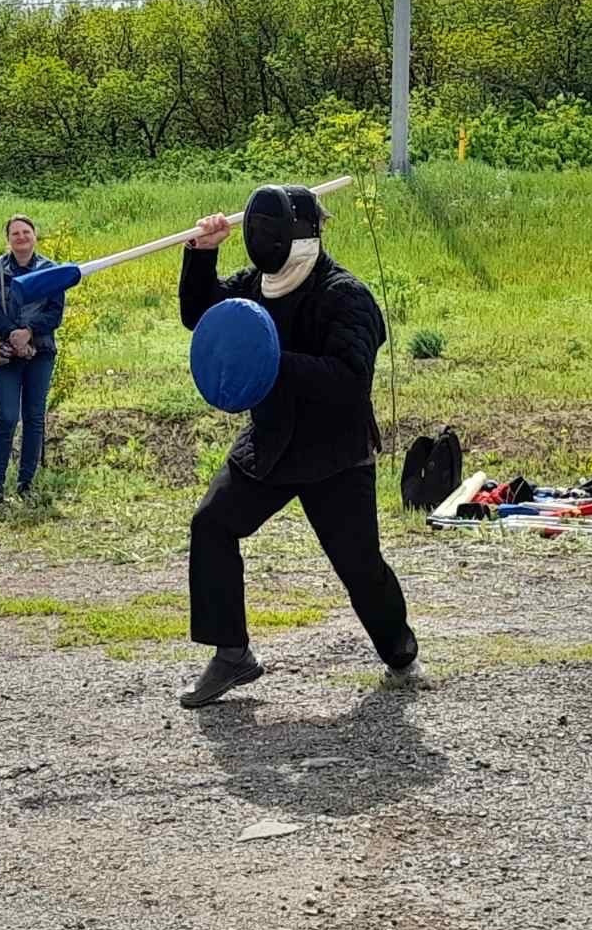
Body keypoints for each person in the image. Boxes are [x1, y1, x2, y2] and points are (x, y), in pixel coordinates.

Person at [176, 185, 422, 708]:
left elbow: (349, 381)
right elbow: (201, 316)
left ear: (302, 234)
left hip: (335, 452)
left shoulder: (345, 295)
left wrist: (271, 362)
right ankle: (232, 653)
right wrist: (202, 254)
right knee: (212, 524)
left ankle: (400, 653)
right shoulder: (254, 286)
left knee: (359, 567)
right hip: (269, 443)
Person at [0, 214, 65, 504]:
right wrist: (11, 334)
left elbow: (55, 312)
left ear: (34, 235)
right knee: (7, 417)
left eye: (26, 232)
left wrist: (29, 332)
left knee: (34, 417)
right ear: (8, 239)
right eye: (15, 233)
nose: (21, 237)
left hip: (41, 353)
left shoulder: (50, 270)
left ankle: (26, 483)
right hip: (5, 354)